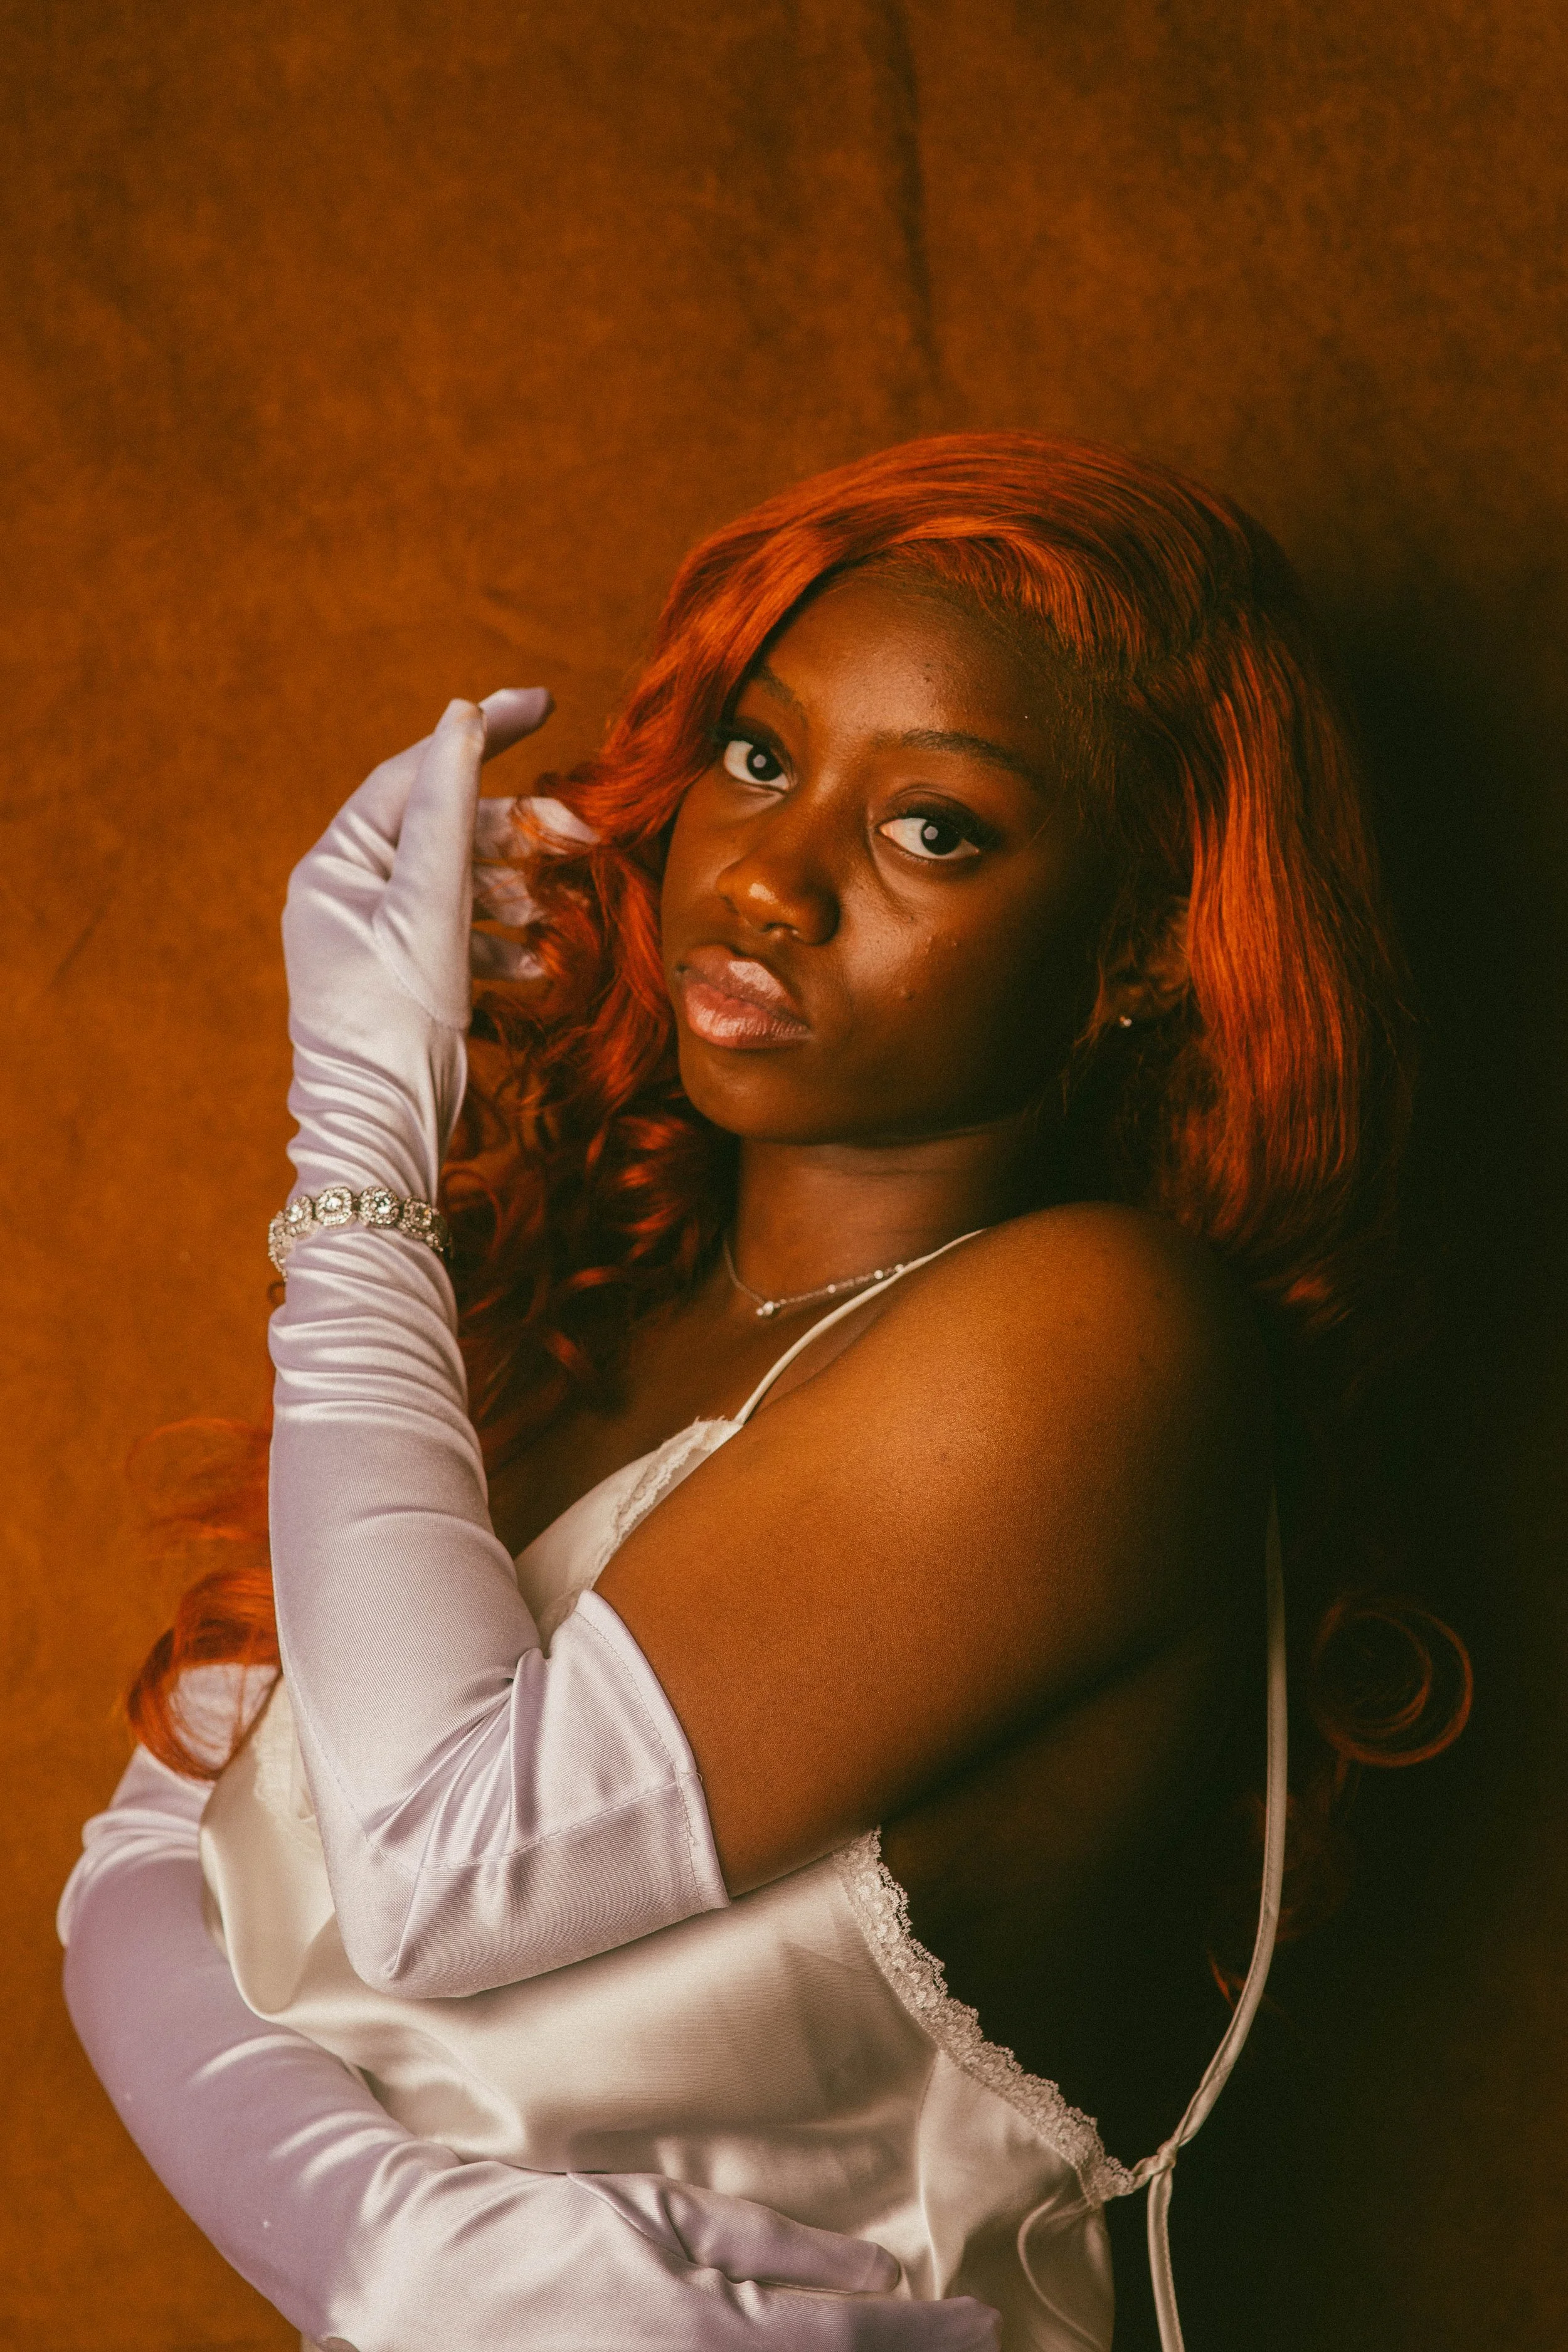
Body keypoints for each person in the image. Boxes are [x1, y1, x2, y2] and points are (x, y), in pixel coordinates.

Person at [59, 435, 1465, 2352]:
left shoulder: (1094, 1339)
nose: (773, 879)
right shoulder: (574, 1302)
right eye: (757, 755)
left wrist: (362, 1131)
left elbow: (444, 1870)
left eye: (931, 827)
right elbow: (151, 1857)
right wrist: (370, 2229)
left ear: (1137, 940)